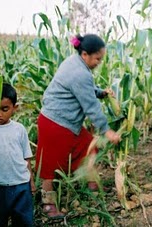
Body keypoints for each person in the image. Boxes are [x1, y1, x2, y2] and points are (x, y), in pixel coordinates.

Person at [36, 34, 121, 219]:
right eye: (97, 58)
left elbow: (84, 89)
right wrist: (107, 130)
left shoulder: (74, 63)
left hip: (65, 122)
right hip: (55, 123)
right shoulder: (80, 73)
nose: (99, 62)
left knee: (88, 146)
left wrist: (100, 92)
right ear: (85, 54)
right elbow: (91, 108)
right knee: (51, 165)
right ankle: (48, 204)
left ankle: (92, 183)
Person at [0, 83, 36, 226]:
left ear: (15, 108)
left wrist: (30, 181)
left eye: (4, 109)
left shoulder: (19, 129)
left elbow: (26, 157)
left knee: (23, 222)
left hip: (20, 186)